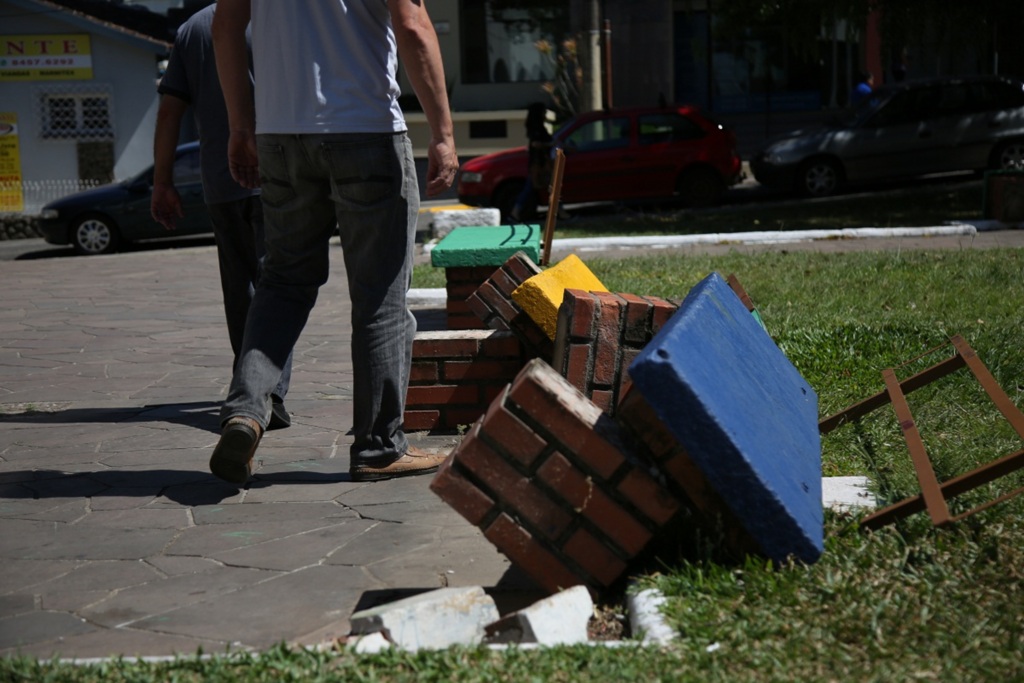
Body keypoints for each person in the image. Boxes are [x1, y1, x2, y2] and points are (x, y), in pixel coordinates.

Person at [209, 0, 458, 485]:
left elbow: (225, 27)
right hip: (366, 131)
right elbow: (412, 24)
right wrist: (443, 133)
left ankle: (247, 412)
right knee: (380, 299)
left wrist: (241, 124)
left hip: (280, 135)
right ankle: (379, 447)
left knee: (282, 283)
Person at [151, 3, 292, 432]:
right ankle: (267, 392)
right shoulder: (277, 16)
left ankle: (251, 388)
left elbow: (169, 112)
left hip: (222, 181)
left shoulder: (194, 29)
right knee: (282, 285)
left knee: (241, 290)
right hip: (279, 174)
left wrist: (162, 182)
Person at [510, 102, 553, 222]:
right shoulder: (537, 128)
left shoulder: (535, 127)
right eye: (544, 112)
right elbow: (535, 144)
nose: (545, 114)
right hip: (538, 163)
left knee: (535, 187)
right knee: (543, 186)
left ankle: (515, 211)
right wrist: (550, 144)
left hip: (538, 162)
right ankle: (515, 212)